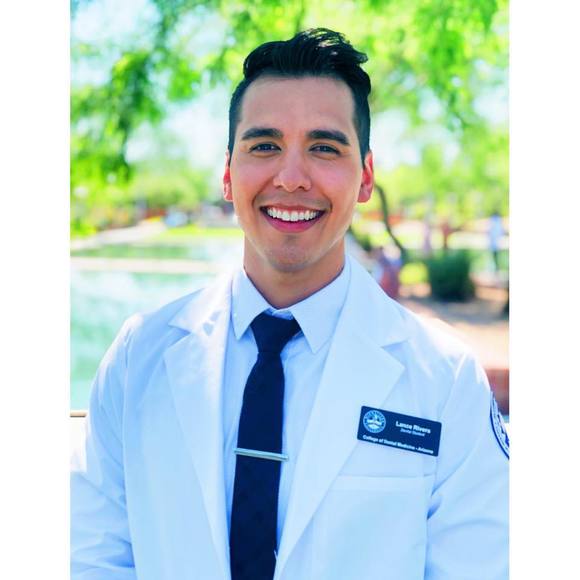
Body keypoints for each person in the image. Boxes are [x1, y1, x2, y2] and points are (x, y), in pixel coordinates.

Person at [71, 28, 509, 580]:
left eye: (324, 148)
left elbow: (478, 566)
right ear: (228, 174)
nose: (292, 178)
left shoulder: (445, 379)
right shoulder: (139, 357)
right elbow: (92, 558)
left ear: (366, 177)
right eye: (264, 146)